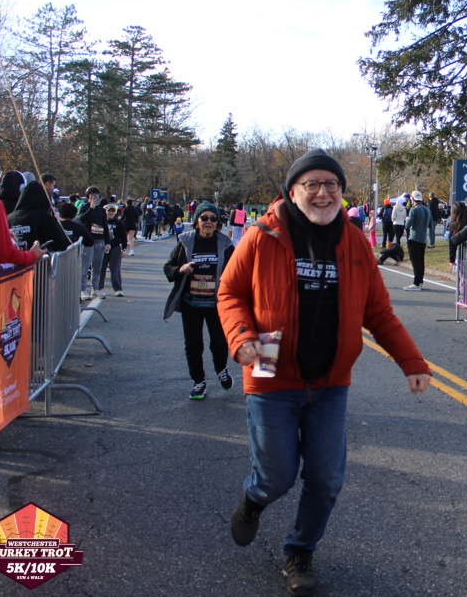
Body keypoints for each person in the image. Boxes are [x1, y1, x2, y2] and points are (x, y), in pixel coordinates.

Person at [216, 148, 430, 596]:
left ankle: (300, 552)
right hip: (270, 370)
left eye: (331, 184)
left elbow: (379, 312)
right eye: (311, 184)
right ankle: (254, 499)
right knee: (275, 476)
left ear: (341, 192)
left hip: (331, 380)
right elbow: (230, 293)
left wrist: (411, 362)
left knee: (326, 477)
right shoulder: (261, 236)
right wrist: (241, 337)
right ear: (292, 192)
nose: (322, 192)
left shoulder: (354, 241)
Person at [164, 201, 235, 400]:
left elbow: (237, 270)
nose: (209, 222)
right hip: (191, 303)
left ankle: (221, 369)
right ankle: (199, 382)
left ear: (217, 222)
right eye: (204, 218)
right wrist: (180, 269)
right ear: (196, 221)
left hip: (216, 304)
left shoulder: (225, 244)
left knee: (219, 343)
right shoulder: (186, 241)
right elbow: (169, 267)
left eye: (213, 218)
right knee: (194, 346)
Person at [7, 180, 70, 253]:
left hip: (16, 258)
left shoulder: (9, 218)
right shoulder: (43, 216)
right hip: (39, 258)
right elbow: (62, 243)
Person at [78, 186, 108, 300]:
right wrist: (91, 208)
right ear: (88, 196)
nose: (94, 197)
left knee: (98, 267)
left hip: (100, 240)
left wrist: (107, 242)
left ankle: (95, 289)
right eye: (92, 195)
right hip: (88, 241)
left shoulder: (101, 210)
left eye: (96, 195)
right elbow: (81, 219)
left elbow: (105, 226)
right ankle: (83, 289)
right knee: (85, 267)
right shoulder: (84, 207)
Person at [403, 190, 433, 291]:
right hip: (423, 239)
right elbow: (430, 225)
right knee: (421, 262)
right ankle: (420, 282)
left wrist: (407, 219)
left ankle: (416, 283)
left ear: (412, 199)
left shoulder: (414, 210)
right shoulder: (427, 209)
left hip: (414, 238)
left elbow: (408, 225)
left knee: (415, 262)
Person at [99, 205, 127, 297]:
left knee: (115, 269)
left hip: (115, 247)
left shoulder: (119, 223)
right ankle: (98, 288)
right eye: (109, 211)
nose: (111, 213)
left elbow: (123, 237)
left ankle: (118, 289)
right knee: (100, 268)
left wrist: (123, 249)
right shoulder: (101, 222)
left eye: (113, 211)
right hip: (102, 247)